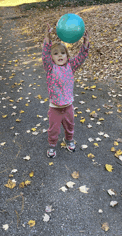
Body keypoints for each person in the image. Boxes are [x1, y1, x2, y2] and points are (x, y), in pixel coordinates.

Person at [42, 25, 90, 158]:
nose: (59, 55)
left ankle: (68, 140)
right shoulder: (50, 68)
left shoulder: (71, 66)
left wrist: (85, 44)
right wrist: (47, 38)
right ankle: (52, 145)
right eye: (56, 53)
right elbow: (45, 55)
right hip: (55, 108)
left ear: (67, 56)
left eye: (62, 53)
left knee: (70, 126)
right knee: (54, 129)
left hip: (68, 106)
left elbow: (81, 57)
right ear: (51, 57)